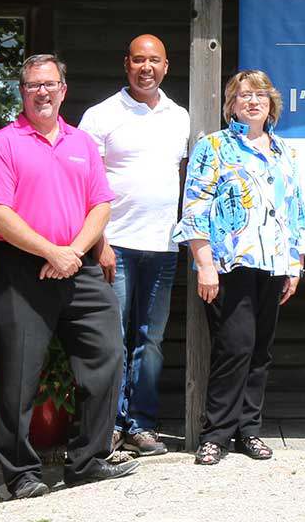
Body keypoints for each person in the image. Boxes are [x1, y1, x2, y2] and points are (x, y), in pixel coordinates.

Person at [0, 54, 137, 499]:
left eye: (49, 84)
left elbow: (101, 204)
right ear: (22, 92)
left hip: (79, 263)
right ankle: (20, 473)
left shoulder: (81, 143)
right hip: (23, 267)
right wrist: (51, 251)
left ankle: (87, 461)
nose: (42, 92)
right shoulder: (4, 143)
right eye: (33, 85)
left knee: (108, 353)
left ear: (63, 89)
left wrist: (73, 251)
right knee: (19, 372)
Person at [173, 70, 305, 466]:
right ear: (231, 104)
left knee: (259, 351)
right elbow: (195, 207)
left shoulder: (285, 151)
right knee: (234, 347)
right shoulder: (213, 146)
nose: (253, 101)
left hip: (273, 265)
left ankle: (248, 431)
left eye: (261, 95)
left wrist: (295, 265)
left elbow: (295, 209)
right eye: (244, 95)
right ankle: (215, 435)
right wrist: (204, 264)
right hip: (229, 264)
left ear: (272, 104)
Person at [79, 34, 192, 456]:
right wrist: (99, 243)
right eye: (139, 60)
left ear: (166, 66)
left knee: (152, 339)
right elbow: (86, 185)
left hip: (163, 245)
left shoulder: (179, 117)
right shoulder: (101, 115)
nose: (147, 67)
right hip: (117, 245)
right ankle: (107, 426)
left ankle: (140, 424)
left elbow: (182, 177)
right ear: (126, 63)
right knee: (113, 338)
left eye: (155, 61)